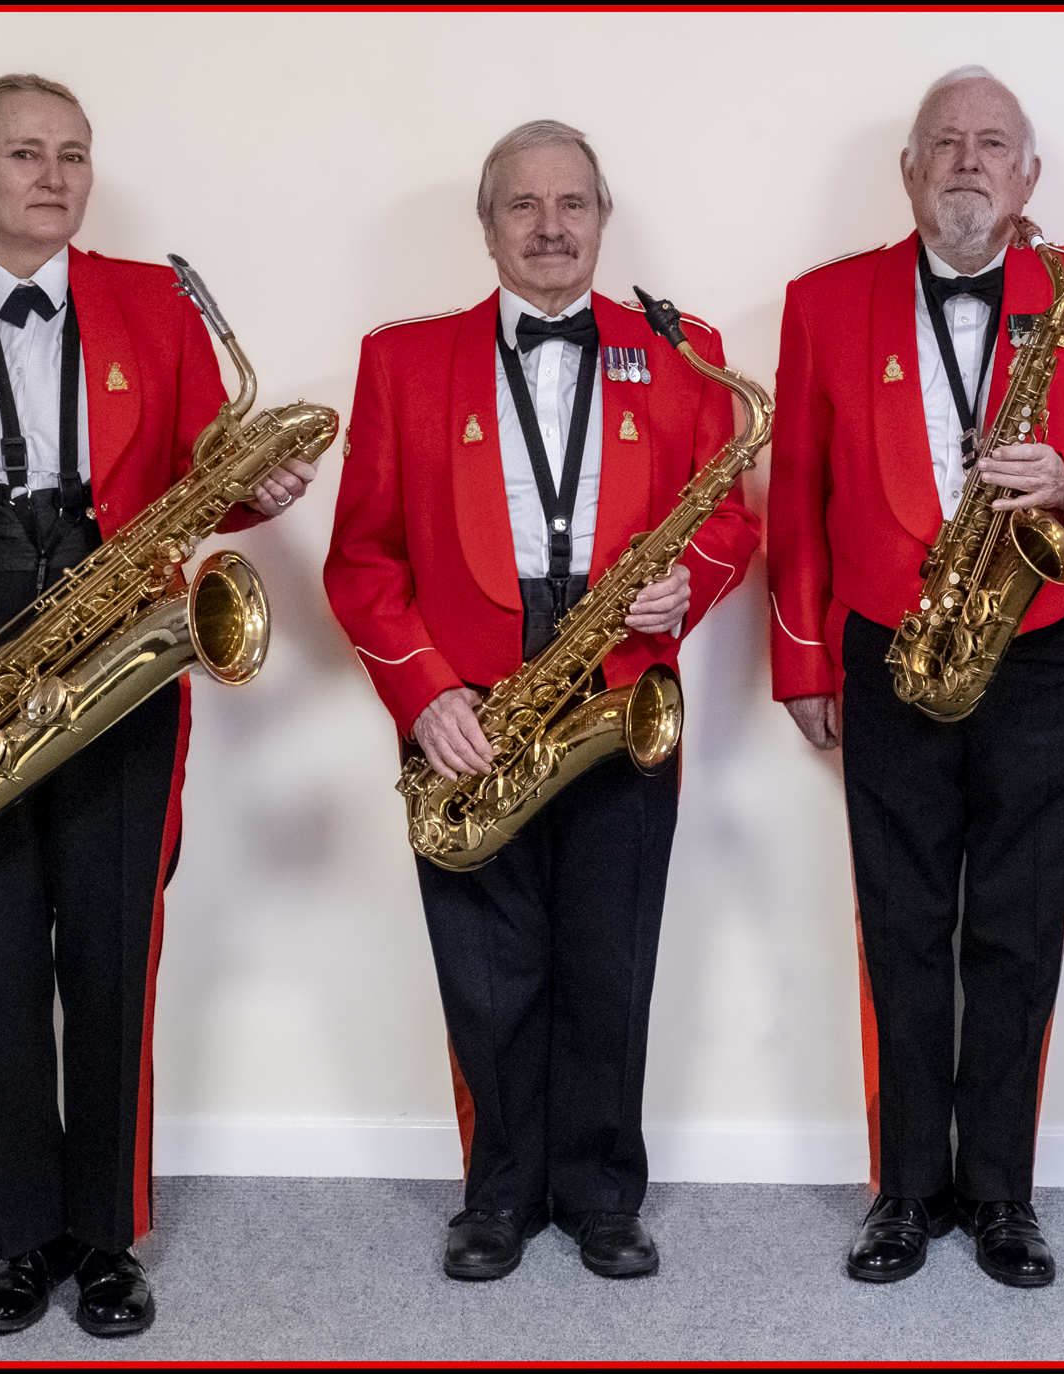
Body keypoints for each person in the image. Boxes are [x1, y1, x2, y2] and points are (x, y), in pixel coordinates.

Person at [0, 73, 317, 1337]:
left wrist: (266, 483)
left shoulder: (150, 301)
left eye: (74, 155)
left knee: (109, 945)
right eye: (26, 153)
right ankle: (19, 1241)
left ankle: (104, 1239)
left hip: (114, 627)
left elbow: (207, 477)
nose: (54, 175)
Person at [766, 67, 1064, 1286]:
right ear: (908, 170)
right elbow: (794, 494)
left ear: (1027, 178)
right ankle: (905, 1189)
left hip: (1043, 646)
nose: (965, 160)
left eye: (990, 144)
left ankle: (1001, 1193)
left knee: (1016, 925)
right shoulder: (822, 301)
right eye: (942, 143)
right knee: (901, 923)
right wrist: (800, 653)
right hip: (885, 646)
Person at [323, 120, 759, 1282]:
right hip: (468, 698)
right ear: (487, 226)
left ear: (602, 218)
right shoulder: (402, 362)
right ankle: (499, 1194)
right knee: (485, 960)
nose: (550, 226)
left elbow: (728, 517)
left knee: (610, 955)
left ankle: (603, 1193)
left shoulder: (684, 351)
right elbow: (359, 560)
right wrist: (420, 698)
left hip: (621, 683)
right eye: (523, 205)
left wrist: (688, 586)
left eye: (571, 203)